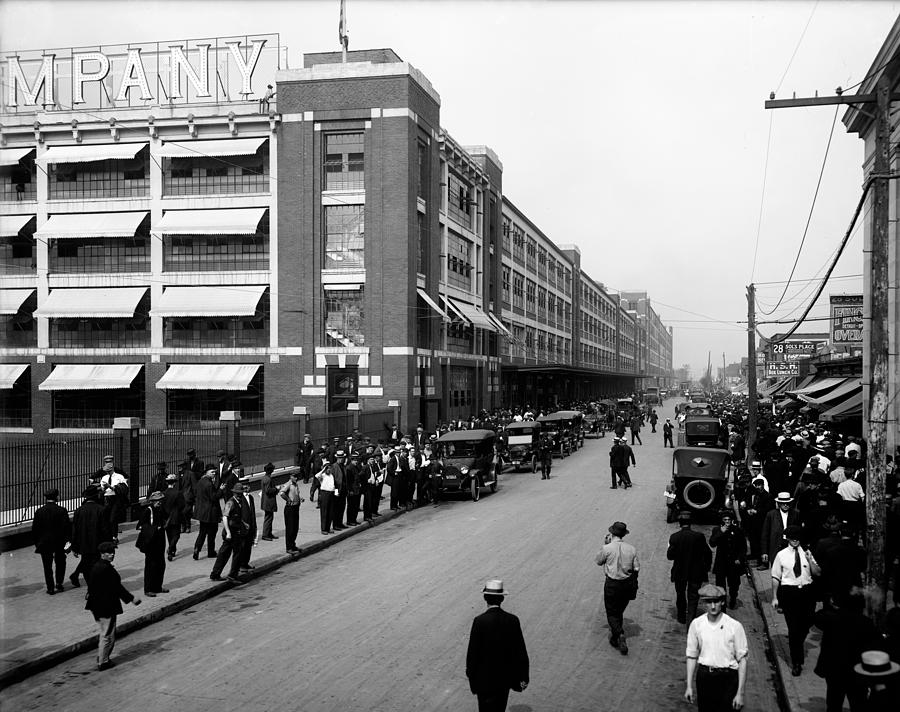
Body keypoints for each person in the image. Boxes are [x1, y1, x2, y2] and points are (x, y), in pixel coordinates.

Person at [465, 579, 529, 712]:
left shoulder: (480, 621)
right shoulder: (512, 620)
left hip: (484, 680)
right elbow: (520, 651)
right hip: (504, 680)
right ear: (502, 599)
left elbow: (473, 653)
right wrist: (523, 676)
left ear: (485, 598)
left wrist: (472, 676)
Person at [684, 584, 748, 712]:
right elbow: (691, 656)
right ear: (704, 603)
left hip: (728, 678)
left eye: (716, 602)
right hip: (705, 678)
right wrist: (689, 686)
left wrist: (740, 693)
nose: (713, 606)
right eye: (709, 602)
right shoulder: (697, 625)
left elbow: (743, 660)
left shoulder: (734, 626)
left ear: (722, 602)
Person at [813, 591, 881, 712]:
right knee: (858, 705)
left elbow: (817, 617)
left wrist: (832, 606)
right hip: (858, 674)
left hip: (835, 671)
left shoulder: (833, 618)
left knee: (834, 704)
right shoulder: (867, 623)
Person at [85, 541, 142, 671]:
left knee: (105, 631)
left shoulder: (97, 566)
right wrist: (132, 599)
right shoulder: (106, 569)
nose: (112, 555)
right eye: (109, 553)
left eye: (113, 552)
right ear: (102, 554)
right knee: (108, 634)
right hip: (105, 606)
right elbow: (117, 588)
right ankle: (103, 661)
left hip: (97, 605)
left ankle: (102, 656)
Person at [771, 524, 819, 676]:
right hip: (789, 594)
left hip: (807, 592)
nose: (795, 540)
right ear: (788, 539)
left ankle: (798, 643)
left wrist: (811, 560)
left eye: (797, 538)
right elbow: (776, 577)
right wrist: (774, 597)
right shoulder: (781, 555)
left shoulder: (807, 552)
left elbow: (817, 573)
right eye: (792, 538)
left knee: (806, 625)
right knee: (793, 629)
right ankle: (796, 661)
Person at [596, 521, 640, 655]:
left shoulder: (607, 548)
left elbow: (598, 561)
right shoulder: (631, 549)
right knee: (619, 610)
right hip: (627, 584)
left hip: (612, 584)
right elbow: (637, 568)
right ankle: (616, 636)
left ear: (612, 533)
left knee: (611, 611)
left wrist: (605, 545)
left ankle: (619, 634)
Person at [667, 510, 712, 624]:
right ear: (690, 523)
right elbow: (708, 553)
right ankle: (691, 618)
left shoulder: (675, 537)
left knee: (680, 594)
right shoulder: (699, 537)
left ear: (680, 523)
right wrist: (706, 568)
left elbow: (670, 556)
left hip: (680, 571)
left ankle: (681, 616)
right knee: (693, 597)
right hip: (696, 572)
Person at [31, 488, 72, 595]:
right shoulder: (62, 510)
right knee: (60, 563)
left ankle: (50, 588)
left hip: (44, 543)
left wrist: (38, 543)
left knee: (47, 566)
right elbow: (67, 528)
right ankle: (59, 583)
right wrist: (68, 541)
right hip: (59, 542)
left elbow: (35, 530)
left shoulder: (39, 511)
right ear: (56, 497)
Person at [210, 484, 252, 583]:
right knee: (233, 553)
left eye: (240, 493)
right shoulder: (230, 502)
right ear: (234, 493)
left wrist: (243, 523)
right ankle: (231, 575)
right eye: (237, 494)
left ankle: (216, 574)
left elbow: (237, 516)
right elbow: (225, 517)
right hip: (231, 532)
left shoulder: (240, 502)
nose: (239, 495)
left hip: (236, 531)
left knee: (227, 553)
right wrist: (228, 532)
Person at [70, 485, 109, 587]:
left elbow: (75, 530)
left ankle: (85, 582)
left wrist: (74, 546)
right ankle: (92, 585)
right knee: (95, 565)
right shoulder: (101, 509)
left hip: (84, 543)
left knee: (86, 563)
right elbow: (105, 529)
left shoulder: (79, 510)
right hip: (97, 543)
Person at [709, 510, 747, 609]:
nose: (727, 522)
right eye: (725, 520)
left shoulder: (738, 531)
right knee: (720, 585)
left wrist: (739, 558)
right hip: (721, 562)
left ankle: (733, 598)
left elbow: (743, 547)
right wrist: (721, 532)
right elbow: (712, 543)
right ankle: (722, 603)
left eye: (729, 520)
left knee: (734, 585)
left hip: (734, 563)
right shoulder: (717, 530)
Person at [136, 491, 169, 597]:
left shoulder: (160, 510)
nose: (159, 503)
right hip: (151, 541)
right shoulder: (148, 511)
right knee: (151, 565)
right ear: (153, 501)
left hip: (160, 540)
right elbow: (140, 526)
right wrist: (155, 528)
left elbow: (165, 519)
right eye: (158, 501)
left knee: (160, 564)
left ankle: (158, 586)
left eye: (161, 501)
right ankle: (148, 589)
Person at [760, 491, 801, 568]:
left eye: (787, 503)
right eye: (783, 503)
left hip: (791, 546)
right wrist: (764, 552)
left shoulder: (795, 514)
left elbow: (799, 532)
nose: (785, 505)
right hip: (776, 547)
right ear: (779, 503)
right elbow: (765, 534)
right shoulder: (771, 515)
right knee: (777, 571)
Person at [193, 466, 221, 560]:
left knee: (202, 532)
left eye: (215, 472)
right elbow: (213, 497)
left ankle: (197, 548)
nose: (214, 474)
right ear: (207, 472)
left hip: (202, 512)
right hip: (211, 512)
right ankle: (211, 551)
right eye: (212, 472)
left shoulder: (200, 482)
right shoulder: (209, 484)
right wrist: (221, 490)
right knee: (212, 533)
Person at [279, 471, 305, 553]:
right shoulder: (288, 484)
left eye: (297, 476)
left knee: (295, 528)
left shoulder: (296, 484)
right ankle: (289, 547)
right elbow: (281, 493)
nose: (296, 478)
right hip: (290, 508)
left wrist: (300, 499)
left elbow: (296, 494)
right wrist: (288, 499)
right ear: (290, 477)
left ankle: (293, 545)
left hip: (296, 507)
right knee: (290, 528)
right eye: (294, 476)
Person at [161, 473, 185, 561]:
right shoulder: (178, 493)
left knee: (169, 535)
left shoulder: (163, 493)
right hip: (176, 517)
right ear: (174, 483)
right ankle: (171, 549)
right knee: (177, 535)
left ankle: (172, 551)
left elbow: (161, 506)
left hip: (166, 518)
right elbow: (182, 505)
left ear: (167, 483)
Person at [260, 462, 279, 541]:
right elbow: (268, 490)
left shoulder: (264, 478)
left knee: (269, 517)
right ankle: (265, 534)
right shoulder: (268, 479)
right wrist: (276, 489)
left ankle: (269, 533)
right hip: (269, 501)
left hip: (265, 501)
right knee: (268, 518)